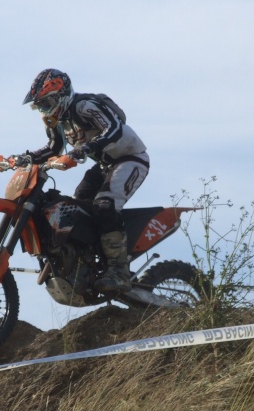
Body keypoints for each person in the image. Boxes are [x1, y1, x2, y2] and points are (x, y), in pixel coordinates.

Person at [16, 68, 150, 293]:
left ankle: (119, 273)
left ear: (62, 95)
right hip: (104, 165)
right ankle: (87, 262)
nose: (43, 109)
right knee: (77, 209)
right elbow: (54, 148)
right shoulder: (59, 120)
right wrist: (25, 158)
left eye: (46, 103)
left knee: (105, 204)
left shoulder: (84, 106)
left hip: (130, 159)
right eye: (39, 106)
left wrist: (89, 146)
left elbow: (115, 128)